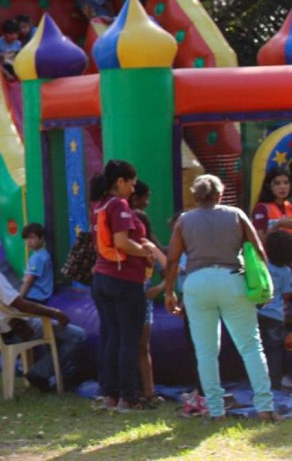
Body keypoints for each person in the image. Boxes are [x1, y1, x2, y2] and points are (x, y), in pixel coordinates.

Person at [163, 174, 276, 421]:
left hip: (196, 283)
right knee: (250, 346)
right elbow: (258, 250)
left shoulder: (184, 220)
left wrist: (169, 291)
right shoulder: (236, 214)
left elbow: (172, 259)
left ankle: (215, 411)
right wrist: (264, 286)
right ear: (220, 194)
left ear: (195, 196)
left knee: (205, 351)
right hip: (232, 279)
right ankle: (265, 408)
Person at [0, 235, 86, 393]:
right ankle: (39, 373)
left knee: (53, 333)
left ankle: (57, 373)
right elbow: (21, 305)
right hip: (17, 330)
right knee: (77, 335)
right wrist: (55, 313)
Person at [89, 160, 158, 411]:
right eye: (131, 182)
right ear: (120, 182)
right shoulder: (118, 205)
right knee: (128, 339)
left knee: (111, 337)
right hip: (124, 280)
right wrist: (145, 253)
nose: (134, 187)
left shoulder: (99, 205)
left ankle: (110, 394)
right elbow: (122, 242)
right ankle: (128, 397)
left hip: (102, 279)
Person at [129, 180, 168, 405]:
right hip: (136, 297)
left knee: (141, 347)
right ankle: (141, 390)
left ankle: (147, 391)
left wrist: (159, 288)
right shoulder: (130, 249)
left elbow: (168, 268)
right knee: (137, 346)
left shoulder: (147, 249)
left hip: (142, 299)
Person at [258, 229, 292, 391]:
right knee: (274, 351)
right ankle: (274, 384)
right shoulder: (286, 272)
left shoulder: (261, 265)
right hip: (275, 316)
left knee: (257, 349)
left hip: (257, 313)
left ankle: (259, 383)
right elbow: (286, 295)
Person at [251, 166, 292, 238]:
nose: (282, 187)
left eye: (286, 183)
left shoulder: (289, 207)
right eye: (277, 183)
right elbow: (260, 240)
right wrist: (278, 225)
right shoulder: (261, 208)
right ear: (269, 186)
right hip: (271, 249)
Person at [18, 223, 52, 302]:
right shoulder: (43, 253)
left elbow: (29, 280)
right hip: (41, 295)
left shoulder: (37, 258)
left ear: (41, 238)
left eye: (32, 238)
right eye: (26, 238)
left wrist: (20, 297)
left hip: (35, 296)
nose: (28, 241)